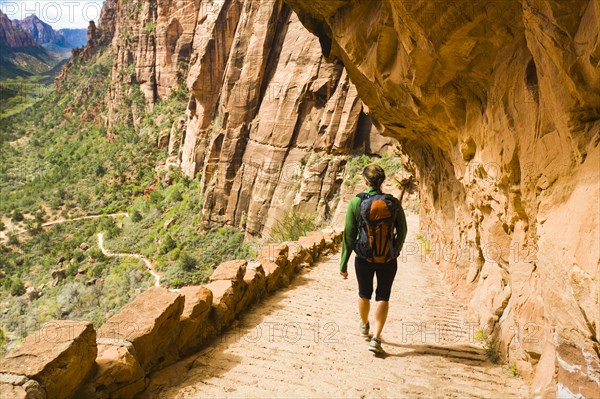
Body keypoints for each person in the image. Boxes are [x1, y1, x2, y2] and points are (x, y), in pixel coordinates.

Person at [340, 164, 407, 354]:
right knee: (383, 297)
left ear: (365, 181)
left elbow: (349, 235)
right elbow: (402, 230)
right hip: (388, 259)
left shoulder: (356, 202)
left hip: (364, 258)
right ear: (382, 181)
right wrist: (395, 250)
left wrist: (343, 264)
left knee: (364, 294)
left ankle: (364, 324)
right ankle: (377, 338)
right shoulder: (393, 202)